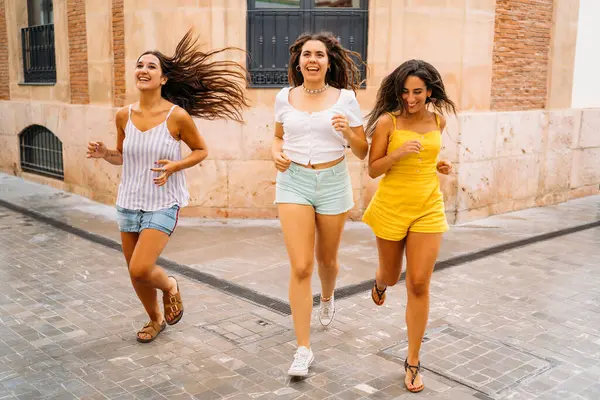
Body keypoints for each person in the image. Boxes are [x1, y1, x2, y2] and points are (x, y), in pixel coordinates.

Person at [86, 30, 249, 343]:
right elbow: (122, 155)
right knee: (135, 272)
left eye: (151, 67)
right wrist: (105, 153)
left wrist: (176, 166)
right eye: (140, 65)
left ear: (163, 79)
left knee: (141, 267)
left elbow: (201, 151)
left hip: (163, 201)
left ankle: (171, 286)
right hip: (129, 200)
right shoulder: (124, 115)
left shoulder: (177, 117)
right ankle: (155, 319)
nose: (143, 70)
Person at [271, 31, 368, 377]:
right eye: (307, 54)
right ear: (298, 61)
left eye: (320, 55)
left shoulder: (345, 100)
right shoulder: (284, 97)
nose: (313, 60)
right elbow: (277, 137)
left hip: (332, 183)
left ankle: (327, 297)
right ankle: (302, 349)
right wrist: (275, 155)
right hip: (294, 182)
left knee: (326, 259)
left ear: (329, 62)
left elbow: (362, 150)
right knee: (300, 266)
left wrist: (350, 132)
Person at [362, 59, 456, 392]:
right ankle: (380, 280)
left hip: (428, 208)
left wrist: (439, 165)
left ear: (430, 91)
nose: (411, 99)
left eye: (417, 92)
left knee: (418, 283)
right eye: (405, 92)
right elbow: (373, 169)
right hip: (392, 206)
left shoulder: (438, 121)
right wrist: (398, 153)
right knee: (391, 274)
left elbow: (428, 159)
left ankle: (413, 361)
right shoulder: (388, 122)